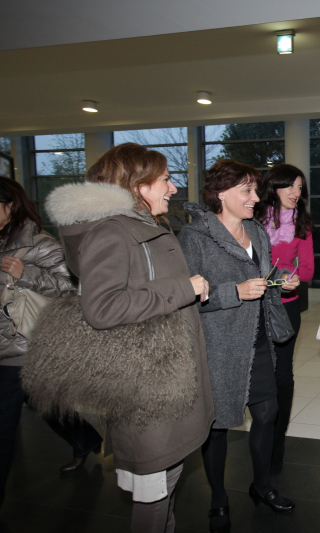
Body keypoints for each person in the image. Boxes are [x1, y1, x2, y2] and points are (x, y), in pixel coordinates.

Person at [45, 143, 215, 533]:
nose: (174, 188)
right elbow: (102, 308)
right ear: (138, 185)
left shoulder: (141, 226)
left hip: (162, 380)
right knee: (154, 492)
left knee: (165, 485)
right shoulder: (112, 231)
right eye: (166, 179)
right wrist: (183, 287)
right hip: (147, 389)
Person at [179, 160, 299, 531]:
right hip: (219, 346)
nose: (255, 197)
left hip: (258, 339)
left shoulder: (256, 231)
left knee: (267, 414)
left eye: (255, 190)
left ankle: (262, 485)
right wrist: (235, 292)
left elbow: (262, 275)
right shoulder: (194, 237)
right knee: (217, 426)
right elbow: (186, 296)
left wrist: (281, 279)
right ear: (221, 193)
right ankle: (218, 498)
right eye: (246, 190)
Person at [0, 178, 102, 506]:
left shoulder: (38, 243)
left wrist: (25, 274)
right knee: (45, 402)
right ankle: (86, 438)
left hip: (22, 347)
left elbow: (70, 288)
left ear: (10, 205)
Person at [256, 163, 314, 475]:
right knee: (258, 372)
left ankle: (277, 444)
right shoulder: (252, 219)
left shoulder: (302, 223)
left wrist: (292, 277)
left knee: (282, 374)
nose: (295, 192)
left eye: (300, 187)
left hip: (286, 308)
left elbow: (307, 269)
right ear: (274, 187)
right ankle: (261, 434)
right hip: (253, 307)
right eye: (290, 185)